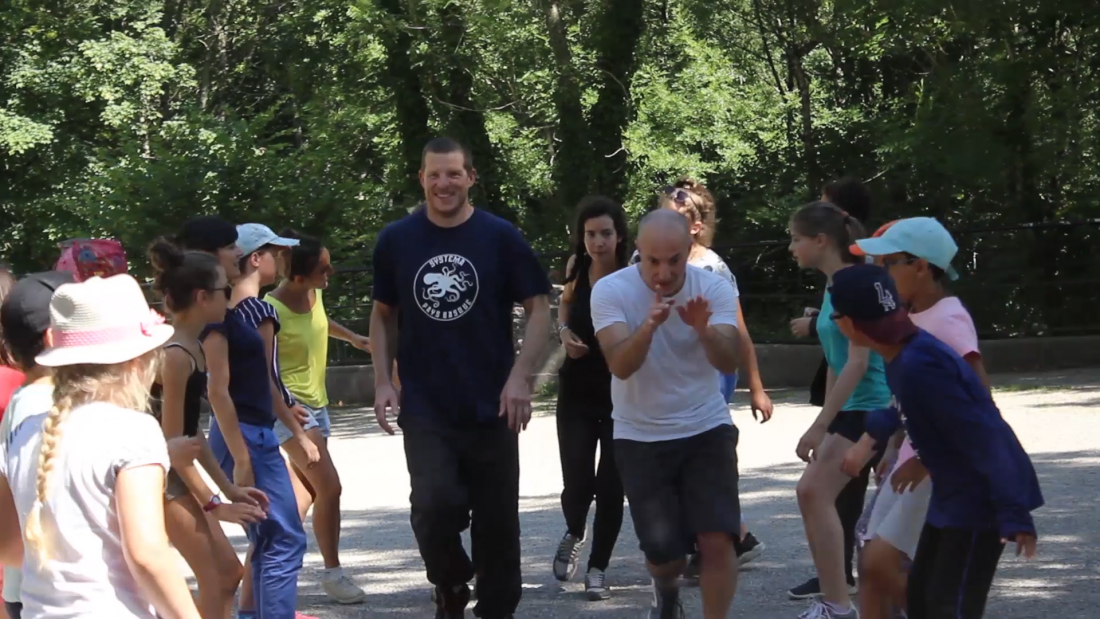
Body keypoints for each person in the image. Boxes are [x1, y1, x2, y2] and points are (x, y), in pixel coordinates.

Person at [370, 137, 552, 619]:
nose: (443, 183)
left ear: (471, 177)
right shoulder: (397, 240)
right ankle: (449, 579)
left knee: (497, 525)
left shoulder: (499, 236)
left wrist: (521, 378)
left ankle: (496, 610)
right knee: (433, 506)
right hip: (427, 406)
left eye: (453, 174)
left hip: (493, 404)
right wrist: (384, 381)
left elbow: (539, 308)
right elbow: (383, 314)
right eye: (434, 174)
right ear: (421, 178)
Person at [828, 264, 1043, 619]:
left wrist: (1012, 511)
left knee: (952, 606)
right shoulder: (905, 354)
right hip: (952, 489)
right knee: (924, 597)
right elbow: (911, 409)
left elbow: (983, 431)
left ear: (850, 323)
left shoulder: (918, 364)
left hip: (980, 497)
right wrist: (884, 434)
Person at [0, 274, 201, 619]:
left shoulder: (25, 430)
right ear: (140, 359)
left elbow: (10, 547)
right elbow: (147, 555)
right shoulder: (132, 429)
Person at [592, 209, 742, 619]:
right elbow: (620, 365)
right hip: (639, 434)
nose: (663, 271)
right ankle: (666, 592)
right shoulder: (610, 291)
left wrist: (704, 329)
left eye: (674, 260)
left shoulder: (713, 287)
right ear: (637, 249)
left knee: (717, 538)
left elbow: (729, 362)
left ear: (688, 251)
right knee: (664, 553)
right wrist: (648, 327)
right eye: (653, 260)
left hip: (706, 426)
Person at [838, 218, 991, 619]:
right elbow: (909, 397)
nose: (881, 275)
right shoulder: (912, 318)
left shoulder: (947, 320)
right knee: (871, 558)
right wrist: (889, 446)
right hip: (915, 455)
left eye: (889, 264)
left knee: (882, 563)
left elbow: (978, 398)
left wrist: (926, 461)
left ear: (921, 266)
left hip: (941, 464)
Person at [177, 216, 310, 619]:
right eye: (232, 246)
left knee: (273, 539)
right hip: (246, 437)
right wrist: (243, 457)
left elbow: (256, 380)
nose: (239, 252)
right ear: (211, 254)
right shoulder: (214, 318)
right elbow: (218, 391)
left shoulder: (224, 309)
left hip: (253, 434)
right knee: (283, 539)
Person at [640, 179, 775, 571]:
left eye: (678, 217)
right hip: (666, 372)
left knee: (699, 455)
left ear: (695, 226)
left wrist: (756, 385)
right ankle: (715, 538)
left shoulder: (711, 267)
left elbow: (738, 328)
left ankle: (732, 537)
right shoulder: (646, 261)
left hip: (706, 371)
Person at [147, 240, 271, 619]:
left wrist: (229, 487)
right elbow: (173, 447)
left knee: (228, 573)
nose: (228, 295)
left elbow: (193, 434)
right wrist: (215, 503)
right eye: (224, 289)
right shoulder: (174, 355)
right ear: (203, 297)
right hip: (162, 480)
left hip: (175, 472)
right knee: (216, 576)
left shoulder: (192, 348)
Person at [788, 201, 892, 619]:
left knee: (814, 493)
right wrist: (826, 423)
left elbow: (859, 361)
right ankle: (837, 601)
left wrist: (820, 425)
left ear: (821, 240)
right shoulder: (834, 284)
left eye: (796, 239)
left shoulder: (852, 284)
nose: (792, 247)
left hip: (871, 406)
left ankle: (839, 604)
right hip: (854, 406)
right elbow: (834, 360)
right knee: (813, 493)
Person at [265, 230, 371, 604]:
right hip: (292, 409)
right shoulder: (270, 310)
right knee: (330, 487)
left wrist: (355, 339)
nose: (331, 273)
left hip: (319, 405)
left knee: (303, 497)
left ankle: (266, 567)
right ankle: (333, 573)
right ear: (297, 276)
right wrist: (289, 413)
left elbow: (322, 323)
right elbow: (262, 370)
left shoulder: (316, 293)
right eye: (324, 269)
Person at [552, 196, 629, 601]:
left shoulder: (634, 274)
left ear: (619, 236)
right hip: (577, 390)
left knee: (613, 485)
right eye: (589, 234)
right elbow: (564, 311)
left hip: (621, 394)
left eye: (605, 234)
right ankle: (575, 529)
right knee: (577, 480)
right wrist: (564, 335)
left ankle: (598, 567)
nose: (597, 242)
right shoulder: (576, 269)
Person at [0, 271, 75, 619]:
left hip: (25, 591)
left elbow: (10, 547)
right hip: (69, 598)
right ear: (54, 337)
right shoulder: (52, 407)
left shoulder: (20, 400)